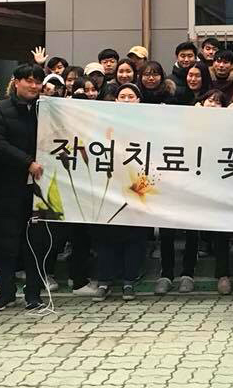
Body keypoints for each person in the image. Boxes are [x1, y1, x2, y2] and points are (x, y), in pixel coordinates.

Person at [0, 63, 46, 311]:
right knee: (5, 242)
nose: (34, 86)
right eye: (28, 81)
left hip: (40, 190)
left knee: (36, 242)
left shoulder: (46, 110)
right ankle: (6, 293)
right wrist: (27, 162)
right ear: (16, 82)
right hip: (7, 188)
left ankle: (34, 294)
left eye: (37, 81)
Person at [92, 84, 148, 302]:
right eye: (122, 96)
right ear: (115, 100)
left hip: (138, 187)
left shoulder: (151, 123)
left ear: (138, 100)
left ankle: (129, 281)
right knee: (106, 236)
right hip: (109, 186)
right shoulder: (104, 122)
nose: (126, 100)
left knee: (135, 237)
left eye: (131, 96)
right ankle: (104, 281)